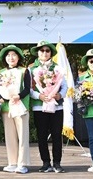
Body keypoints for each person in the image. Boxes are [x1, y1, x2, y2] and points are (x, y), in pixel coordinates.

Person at [28, 41, 68, 173]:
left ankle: (57, 163)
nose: (44, 53)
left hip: (57, 106)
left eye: (47, 50)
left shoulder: (58, 68)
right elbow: (28, 88)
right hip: (39, 106)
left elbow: (65, 86)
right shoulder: (31, 69)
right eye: (42, 50)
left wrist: (59, 95)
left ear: (51, 53)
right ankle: (45, 162)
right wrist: (38, 96)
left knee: (57, 135)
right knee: (42, 135)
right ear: (37, 52)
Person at [0, 45, 31, 174]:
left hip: (21, 106)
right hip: (7, 107)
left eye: (14, 55)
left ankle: (22, 164)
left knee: (22, 135)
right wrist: (0, 98)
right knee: (10, 136)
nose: (11, 58)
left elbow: (27, 88)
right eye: (8, 55)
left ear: (19, 57)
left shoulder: (24, 71)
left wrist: (18, 96)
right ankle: (12, 162)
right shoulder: (1, 72)